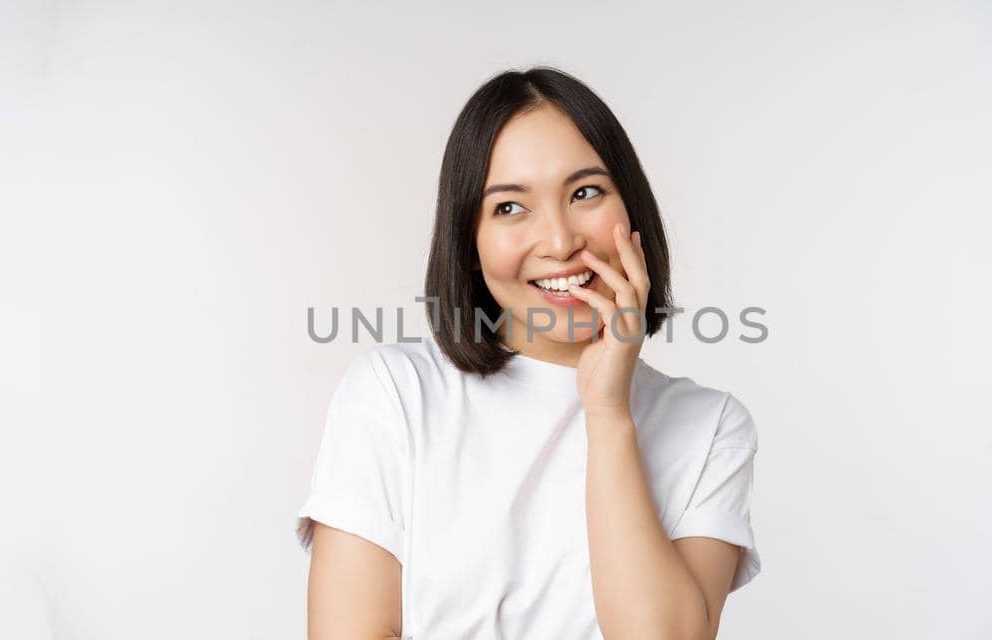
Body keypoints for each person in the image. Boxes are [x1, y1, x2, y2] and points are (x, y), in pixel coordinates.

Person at [295, 66, 760, 639]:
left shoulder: (711, 426)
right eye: (510, 207)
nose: (562, 242)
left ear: (631, 210)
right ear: (469, 241)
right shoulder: (395, 393)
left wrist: (608, 413)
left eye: (585, 192)